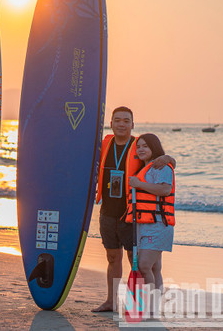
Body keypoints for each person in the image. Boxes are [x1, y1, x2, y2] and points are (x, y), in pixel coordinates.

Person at [92, 107, 175, 312]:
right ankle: (111, 301)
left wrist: (168, 159)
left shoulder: (139, 146)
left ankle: (139, 305)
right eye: (117, 120)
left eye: (126, 120)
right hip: (107, 212)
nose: (121, 124)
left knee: (135, 261)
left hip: (132, 215)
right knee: (112, 258)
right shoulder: (104, 144)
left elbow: (163, 161)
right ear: (111, 123)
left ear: (132, 124)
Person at [126, 133, 175, 291]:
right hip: (143, 224)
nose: (141, 149)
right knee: (154, 268)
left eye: (145, 146)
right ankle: (154, 303)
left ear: (154, 147)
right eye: (138, 146)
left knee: (144, 266)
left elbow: (165, 189)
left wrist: (139, 184)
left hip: (158, 224)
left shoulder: (161, 166)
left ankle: (150, 301)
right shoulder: (143, 168)